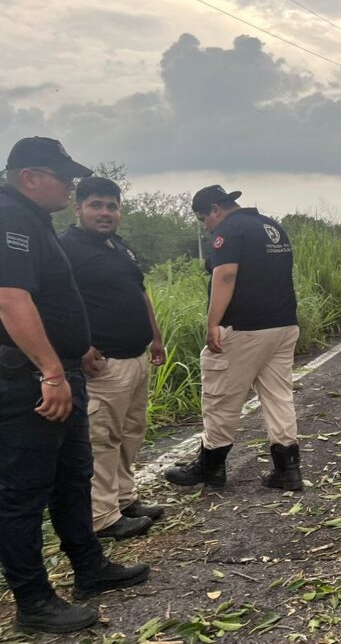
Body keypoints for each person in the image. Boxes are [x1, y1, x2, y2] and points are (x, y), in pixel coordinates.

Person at [0, 137, 149, 634]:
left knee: (72, 477)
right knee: (23, 494)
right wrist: (52, 372)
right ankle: (34, 600)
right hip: (32, 382)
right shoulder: (11, 218)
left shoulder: (35, 220)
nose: (69, 183)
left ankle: (89, 567)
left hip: (64, 372)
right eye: (61, 175)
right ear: (28, 178)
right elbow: (10, 299)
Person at [164, 185, 302, 491]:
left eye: (204, 218)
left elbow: (225, 275)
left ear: (215, 209)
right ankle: (288, 469)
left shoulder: (229, 230)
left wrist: (213, 322)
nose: (206, 226)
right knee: (278, 396)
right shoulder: (271, 226)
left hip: (244, 328)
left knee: (220, 396)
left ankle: (210, 466)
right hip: (283, 325)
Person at [58, 176, 166, 540]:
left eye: (112, 206)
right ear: (78, 209)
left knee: (131, 432)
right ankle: (102, 516)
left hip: (136, 356)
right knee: (102, 439)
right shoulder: (66, 249)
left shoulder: (118, 247)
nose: (105, 213)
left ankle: (124, 498)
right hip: (103, 364)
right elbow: (57, 303)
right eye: (96, 205)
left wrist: (156, 336)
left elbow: (139, 293)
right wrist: (81, 344)